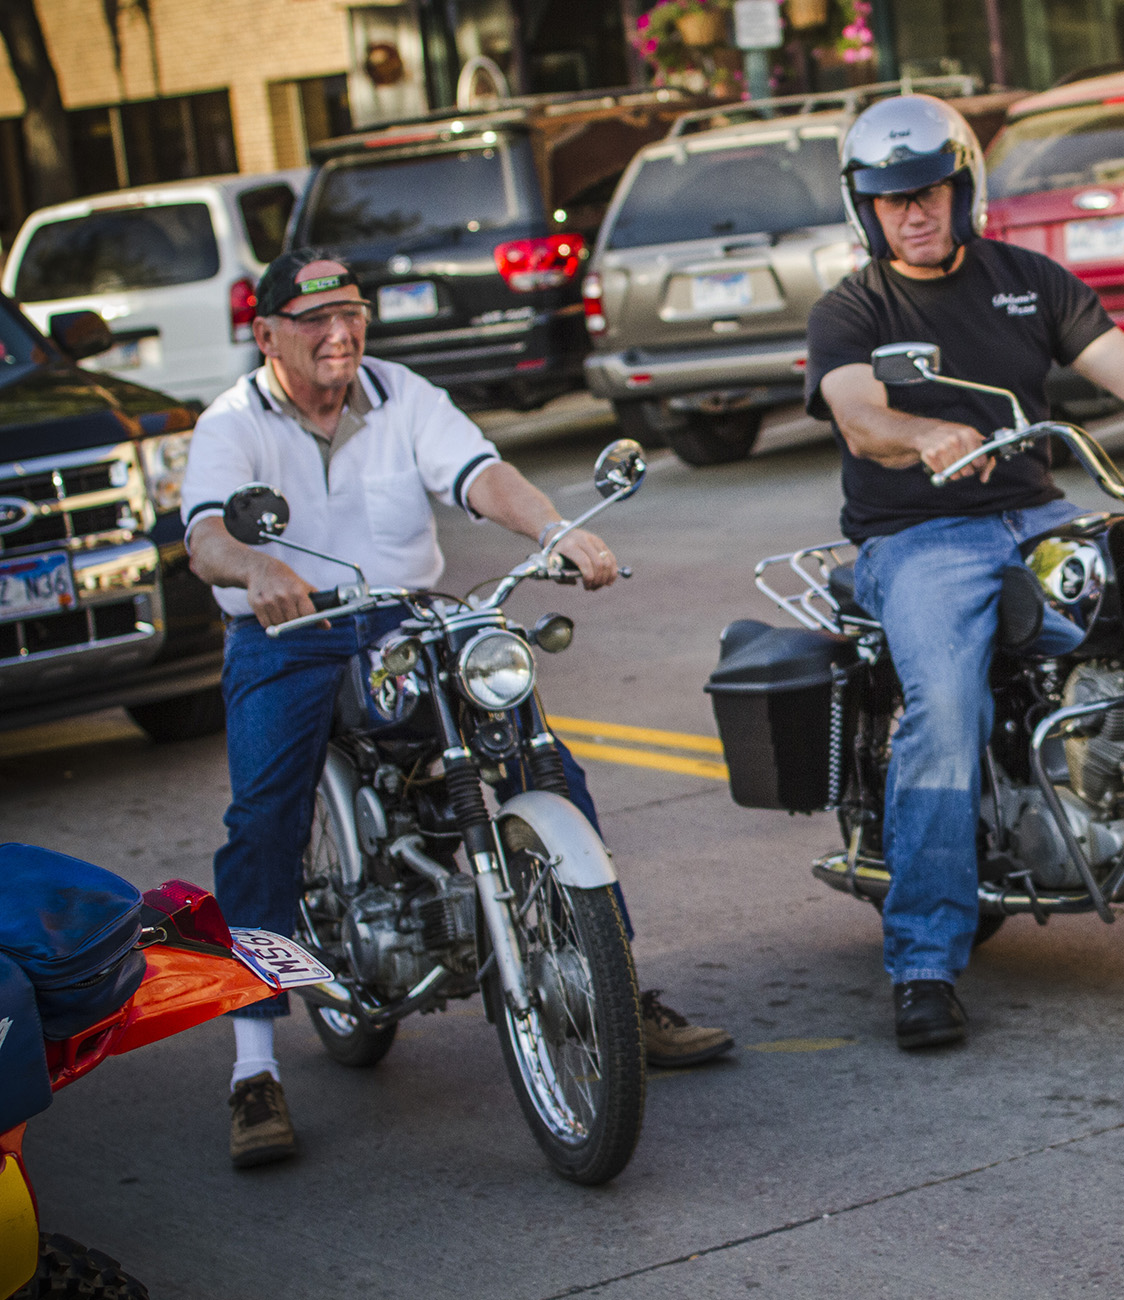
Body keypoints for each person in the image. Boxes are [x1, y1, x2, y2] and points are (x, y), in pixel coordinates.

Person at [181, 250, 731, 1169]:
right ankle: (254, 1064)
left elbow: (478, 473)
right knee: (262, 822)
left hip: (403, 613)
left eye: (351, 313)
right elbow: (204, 535)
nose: (339, 334)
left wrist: (552, 530)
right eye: (314, 321)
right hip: (291, 630)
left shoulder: (401, 394)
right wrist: (256, 568)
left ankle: (614, 987)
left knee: (536, 753)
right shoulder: (233, 422)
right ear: (267, 332)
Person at [805, 96, 1124, 1050]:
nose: (912, 213)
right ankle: (923, 961)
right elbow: (858, 419)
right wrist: (924, 434)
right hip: (917, 536)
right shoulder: (855, 308)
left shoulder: (1029, 280)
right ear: (862, 208)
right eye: (890, 200)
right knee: (947, 709)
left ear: (966, 190)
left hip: (1036, 516)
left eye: (930, 193)